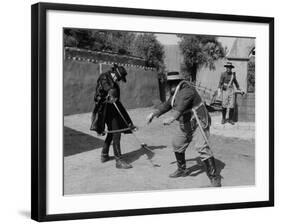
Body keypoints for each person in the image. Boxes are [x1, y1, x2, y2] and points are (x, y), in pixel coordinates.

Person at [146, 74, 221, 187]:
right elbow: (167, 105)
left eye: (169, 84)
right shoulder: (176, 92)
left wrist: (171, 118)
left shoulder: (187, 91)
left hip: (198, 121)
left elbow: (179, 107)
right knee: (177, 143)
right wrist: (154, 114)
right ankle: (182, 169)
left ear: (174, 83)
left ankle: (214, 177)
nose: (167, 87)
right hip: (186, 122)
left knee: (202, 147)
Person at [90, 64, 135, 169]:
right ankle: (119, 161)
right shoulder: (104, 77)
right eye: (118, 78)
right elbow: (106, 88)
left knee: (112, 132)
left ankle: (104, 155)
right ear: (115, 74)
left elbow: (117, 102)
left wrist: (128, 121)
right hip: (103, 110)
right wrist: (110, 93)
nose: (118, 80)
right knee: (116, 133)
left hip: (112, 110)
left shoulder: (115, 84)